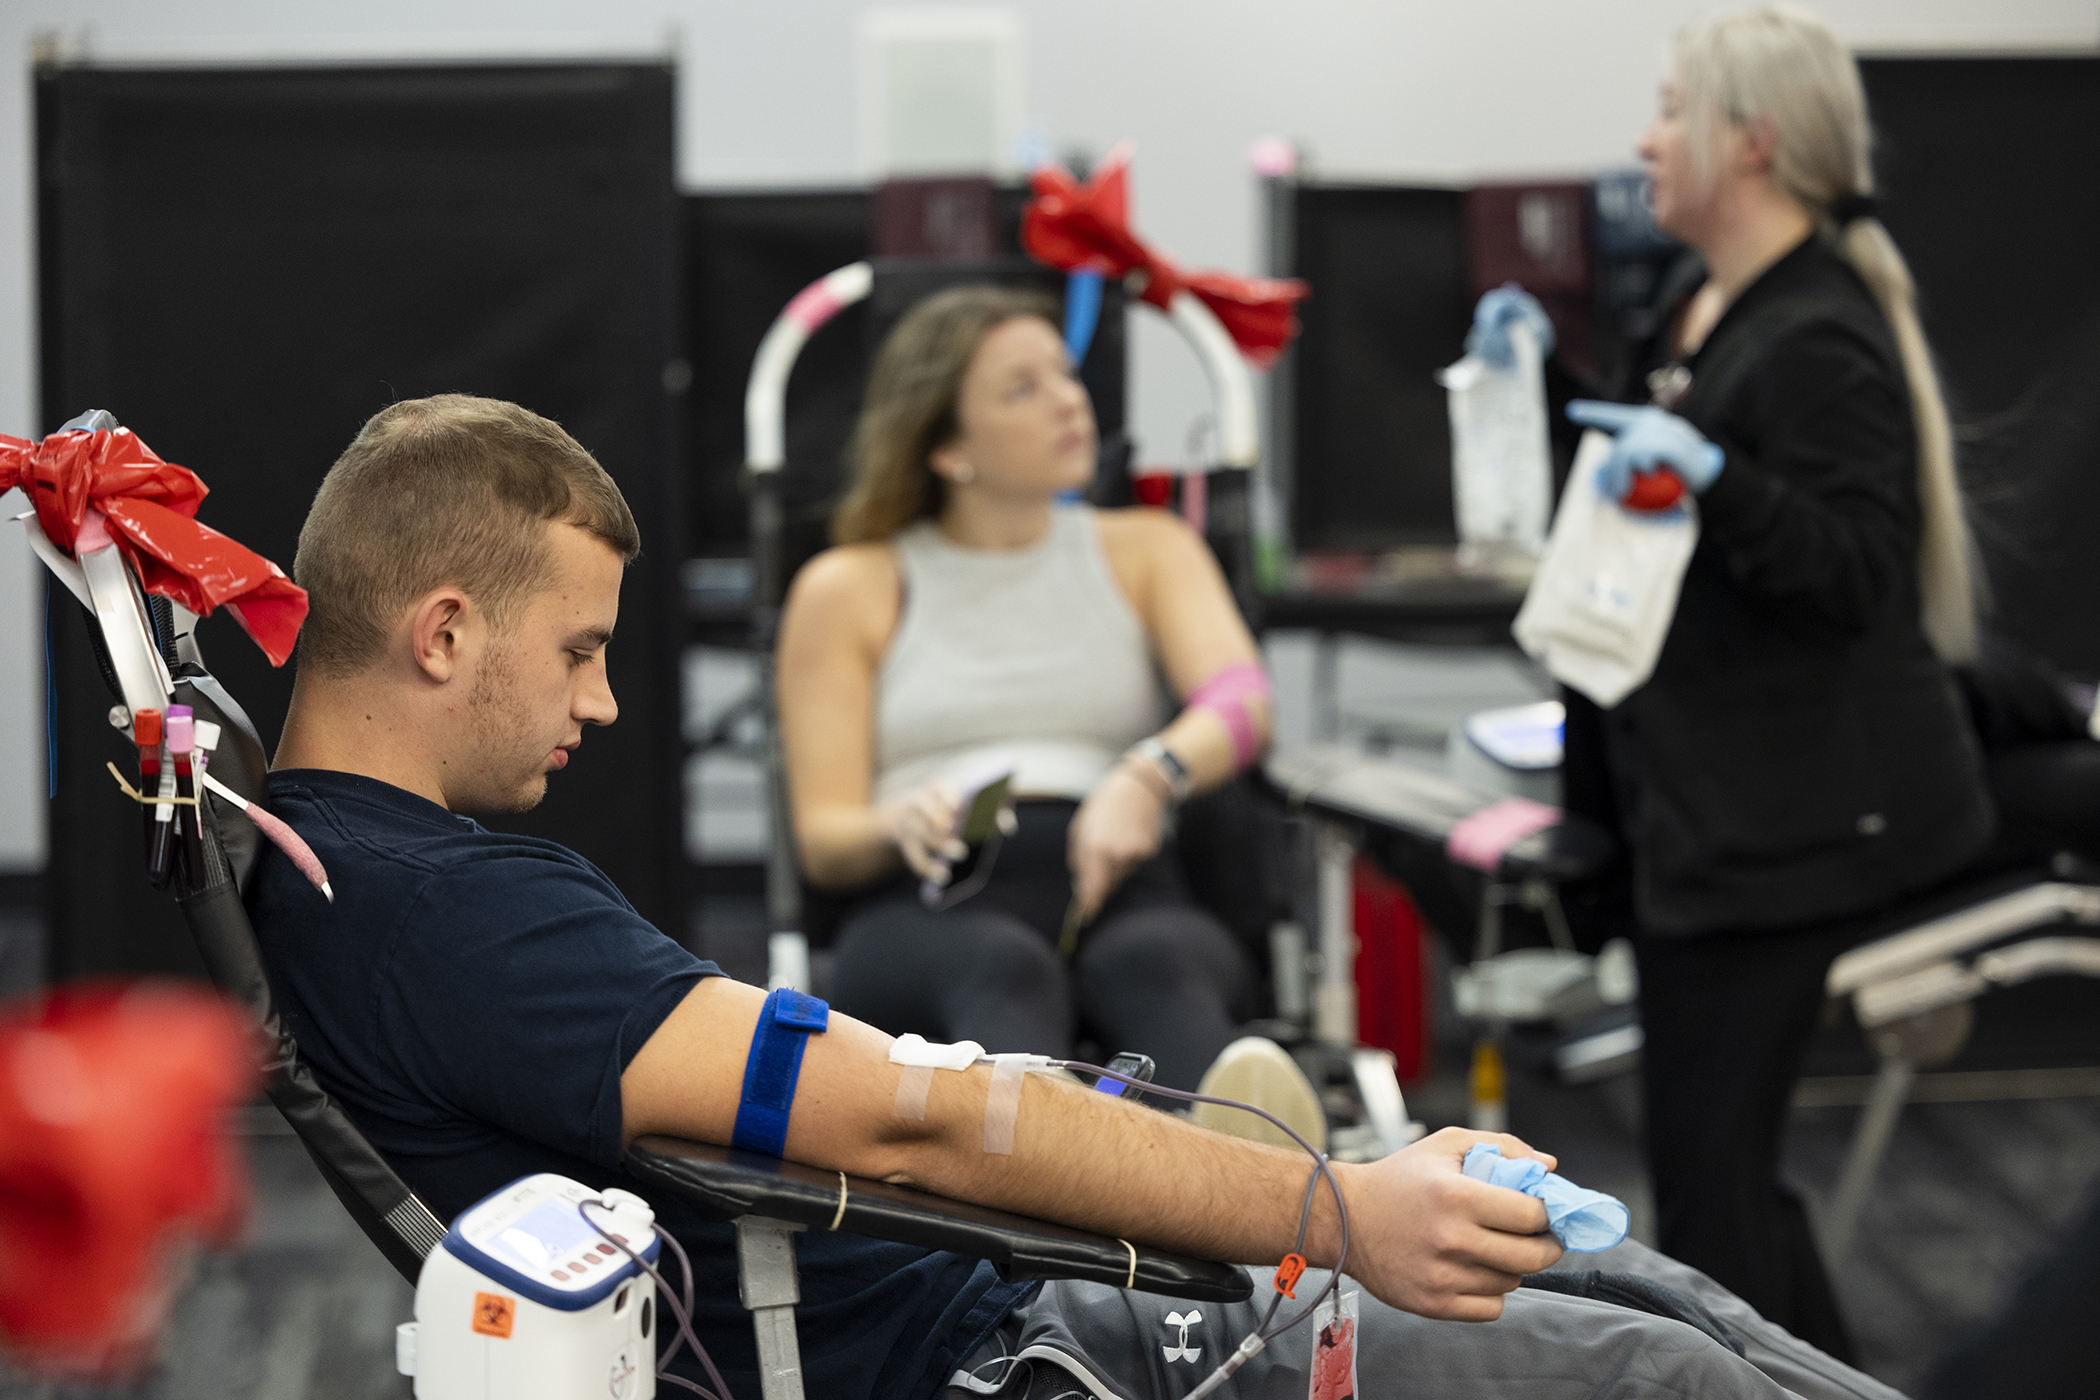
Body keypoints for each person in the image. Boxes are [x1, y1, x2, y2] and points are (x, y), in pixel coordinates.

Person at [250, 393, 1890, 1399]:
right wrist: (1341, 1212)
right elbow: (908, 1123)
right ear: (446, 631)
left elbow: (905, 1110)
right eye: (582, 651)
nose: (602, 705)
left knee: (1649, 1291)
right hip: (1015, 1350)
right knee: (1663, 1369)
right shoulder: (439, 909)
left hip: (1013, 1288)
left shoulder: (362, 879)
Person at [1470, 5, 1992, 1361]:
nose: (1643, 139)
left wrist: (1721, 479)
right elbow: (1658, 481)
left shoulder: (1815, 331)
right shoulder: (1703, 307)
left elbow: (1858, 569)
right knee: (1719, 1188)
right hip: (1705, 823)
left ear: (1748, 142)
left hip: (1784, 839)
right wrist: (1550, 385)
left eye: (1667, 110)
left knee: (1708, 1197)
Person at [775, 284, 1295, 1118]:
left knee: (1156, 965)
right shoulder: (849, 587)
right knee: (1004, 972)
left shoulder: (1148, 549)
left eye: (1064, 373)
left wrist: (1150, 774)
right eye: (1023, 388)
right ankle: (1057, 1225)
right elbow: (824, 840)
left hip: (1122, 875)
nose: (1069, 402)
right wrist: (894, 822)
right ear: (946, 447)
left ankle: (1257, 1198)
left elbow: (1243, 701)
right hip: (932, 898)